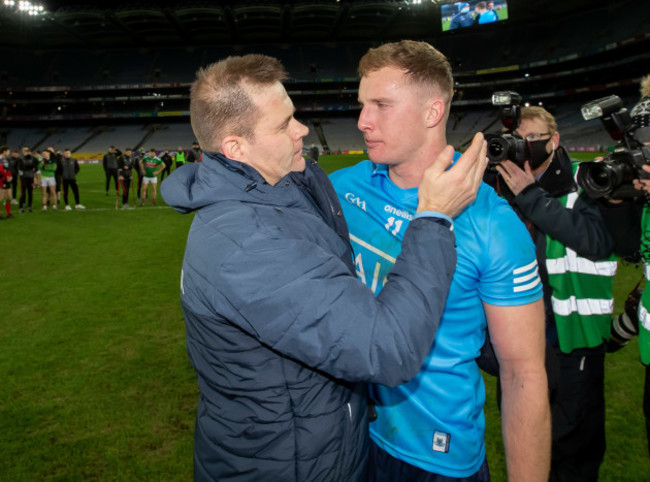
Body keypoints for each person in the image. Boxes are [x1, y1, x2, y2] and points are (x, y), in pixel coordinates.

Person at [161, 53, 487, 481]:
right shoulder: (250, 244)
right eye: (283, 126)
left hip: (311, 449)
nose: (301, 130)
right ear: (236, 148)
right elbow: (384, 348)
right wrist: (432, 218)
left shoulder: (277, 188)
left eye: (293, 116)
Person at [330, 40, 550, 482]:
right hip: (344, 438)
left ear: (432, 113)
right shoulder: (338, 190)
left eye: (381, 105)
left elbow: (522, 373)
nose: (362, 121)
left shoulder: (493, 224)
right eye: (361, 104)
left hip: (435, 457)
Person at [484, 106, 616, 481]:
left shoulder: (586, 181)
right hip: (518, 342)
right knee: (523, 440)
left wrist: (531, 196)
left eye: (533, 139)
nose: (524, 148)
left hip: (573, 343)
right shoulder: (499, 186)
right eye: (517, 140)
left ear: (554, 141)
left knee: (571, 451)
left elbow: (597, 241)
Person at [18, 146, 38, 213]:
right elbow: (20, 168)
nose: (27, 153)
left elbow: (36, 168)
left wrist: (34, 175)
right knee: (23, 193)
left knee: (30, 192)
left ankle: (29, 206)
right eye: (26, 152)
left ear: (30, 152)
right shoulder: (21, 159)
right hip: (24, 178)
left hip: (31, 177)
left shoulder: (34, 159)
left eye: (28, 152)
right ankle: (21, 207)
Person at [0, 145, 12, 219]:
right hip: (1, 179)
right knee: (1, 197)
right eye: (8, 151)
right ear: (4, 151)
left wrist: (10, 176)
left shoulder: (5, 159)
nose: (9, 152)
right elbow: (1, 169)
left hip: (7, 179)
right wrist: (6, 176)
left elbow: (8, 169)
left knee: (8, 196)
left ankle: (8, 213)